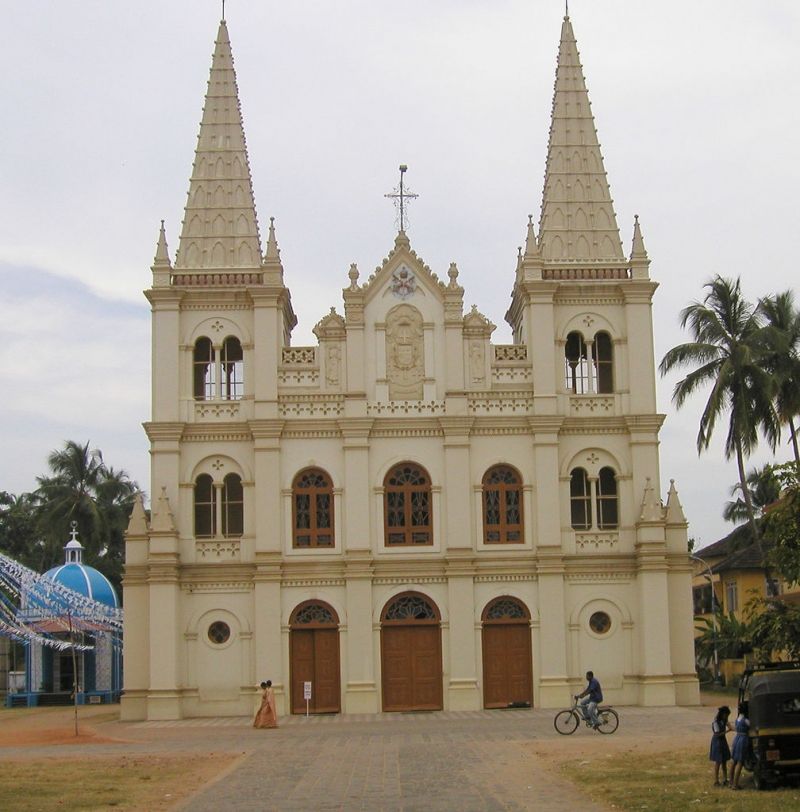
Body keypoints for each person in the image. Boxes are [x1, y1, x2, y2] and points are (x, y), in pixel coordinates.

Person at [709, 705, 732, 786]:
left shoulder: (724, 720)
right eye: (726, 715)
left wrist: (730, 726)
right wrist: (728, 731)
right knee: (718, 761)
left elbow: (730, 726)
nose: (727, 716)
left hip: (722, 741)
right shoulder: (716, 722)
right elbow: (718, 734)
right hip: (717, 741)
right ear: (722, 714)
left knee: (724, 761)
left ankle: (725, 779)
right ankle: (716, 780)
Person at [730, 704, 750, 790]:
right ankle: (735, 784)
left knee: (734, 761)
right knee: (740, 762)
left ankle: (731, 782)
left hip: (737, 739)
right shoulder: (746, 720)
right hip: (743, 740)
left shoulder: (737, 719)